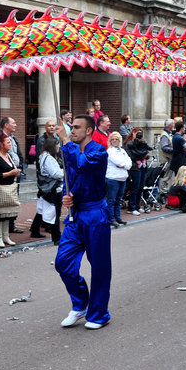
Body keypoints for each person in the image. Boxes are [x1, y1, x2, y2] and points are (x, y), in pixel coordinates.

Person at [53, 114, 111, 329]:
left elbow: (83, 165)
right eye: (71, 128)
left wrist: (66, 142)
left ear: (88, 130)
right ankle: (81, 304)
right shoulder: (71, 151)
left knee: (99, 267)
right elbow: (73, 179)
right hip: (76, 216)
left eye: (76, 128)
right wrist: (68, 196)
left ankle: (99, 314)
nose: (72, 131)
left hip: (96, 214)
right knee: (63, 262)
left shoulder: (99, 151)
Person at [0, 117, 25, 235]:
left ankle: (11, 224)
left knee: (13, 199)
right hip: (4, 178)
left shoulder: (13, 138)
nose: (15, 125)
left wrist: (20, 165)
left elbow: (18, 153)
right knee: (4, 201)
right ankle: (4, 229)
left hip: (15, 173)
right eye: (13, 123)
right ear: (6, 125)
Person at [0, 131, 21, 247]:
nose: (10, 144)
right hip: (1, 188)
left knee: (8, 213)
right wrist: (10, 173)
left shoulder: (8, 155)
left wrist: (16, 173)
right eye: (8, 142)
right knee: (0, 214)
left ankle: (6, 236)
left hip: (10, 188)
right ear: (1, 143)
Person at [36, 137, 64, 244]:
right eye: (57, 144)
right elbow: (56, 174)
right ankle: (57, 238)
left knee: (49, 211)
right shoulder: (49, 159)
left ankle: (35, 229)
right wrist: (65, 173)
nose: (59, 146)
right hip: (53, 188)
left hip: (49, 188)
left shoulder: (43, 156)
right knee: (55, 213)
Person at [105, 131, 131, 227]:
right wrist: (124, 165)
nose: (115, 141)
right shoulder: (110, 151)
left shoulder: (122, 150)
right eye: (113, 139)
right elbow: (118, 162)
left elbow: (129, 162)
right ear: (110, 141)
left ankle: (118, 217)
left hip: (122, 178)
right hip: (113, 178)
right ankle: (111, 218)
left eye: (117, 139)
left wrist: (125, 166)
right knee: (111, 199)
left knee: (118, 199)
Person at [125, 129, 153, 215]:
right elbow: (130, 155)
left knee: (141, 187)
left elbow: (147, 153)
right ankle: (131, 207)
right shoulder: (129, 144)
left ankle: (137, 206)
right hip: (134, 167)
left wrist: (144, 155)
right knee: (135, 187)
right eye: (137, 133)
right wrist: (142, 155)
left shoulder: (142, 143)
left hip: (142, 166)